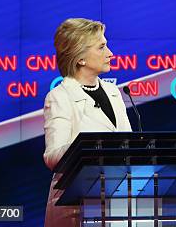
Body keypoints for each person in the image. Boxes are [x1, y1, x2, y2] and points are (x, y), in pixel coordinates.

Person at [43, 18, 132, 227]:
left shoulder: (113, 92)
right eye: (102, 47)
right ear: (80, 58)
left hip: (115, 204)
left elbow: (128, 144)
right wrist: (89, 146)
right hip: (76, 209)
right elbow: (52, 156)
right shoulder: (60, 96)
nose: (110, 53)